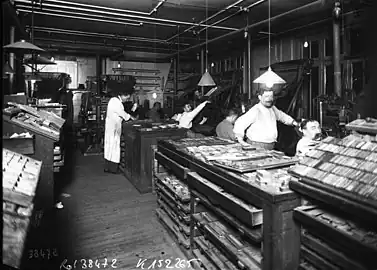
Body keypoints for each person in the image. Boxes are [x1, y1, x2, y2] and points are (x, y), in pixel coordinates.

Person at [233, 88, 299, 150]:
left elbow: (282, 116)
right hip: (257, 144)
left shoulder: (272, 108)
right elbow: (240, 122)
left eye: (271, 96)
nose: (269, 99)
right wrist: (240, 140)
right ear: (260, 97)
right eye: (266, 96)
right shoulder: (256, 110)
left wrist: (295, 123)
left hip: (271, 144)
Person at [104, 89, 137, 174]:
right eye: (127, 97)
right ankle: (113, 169)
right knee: (114, 148)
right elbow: (121, 113)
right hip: (113, 128)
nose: (127, 99)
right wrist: (130, 117)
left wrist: (130, 113)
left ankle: (108, 167)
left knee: (109, 148)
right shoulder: (115, 101)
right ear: (123, 95)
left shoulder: (116, 101)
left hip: (112, 127)